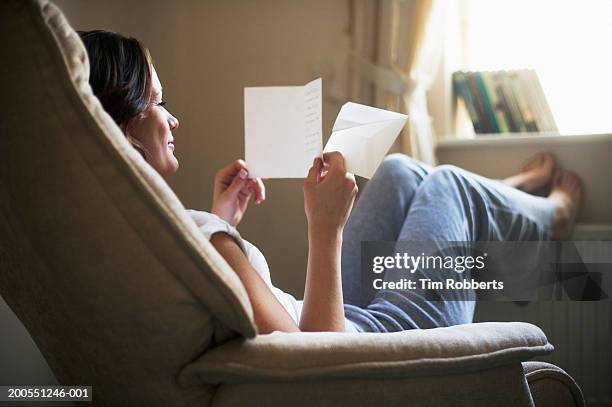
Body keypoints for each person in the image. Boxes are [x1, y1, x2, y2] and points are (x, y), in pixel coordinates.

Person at [78, 30, 583, 334]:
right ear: (122, 122)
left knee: (401, 170)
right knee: (446, 183)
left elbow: (217, 285)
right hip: (369, 337)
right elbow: (316, 358)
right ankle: (549, 216)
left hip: (343, 316)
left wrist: (221, 219)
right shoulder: (180, 235)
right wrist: (325, 228)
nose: (173, 120)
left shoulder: (149, 231)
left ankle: (493, 203)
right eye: (158, 102)